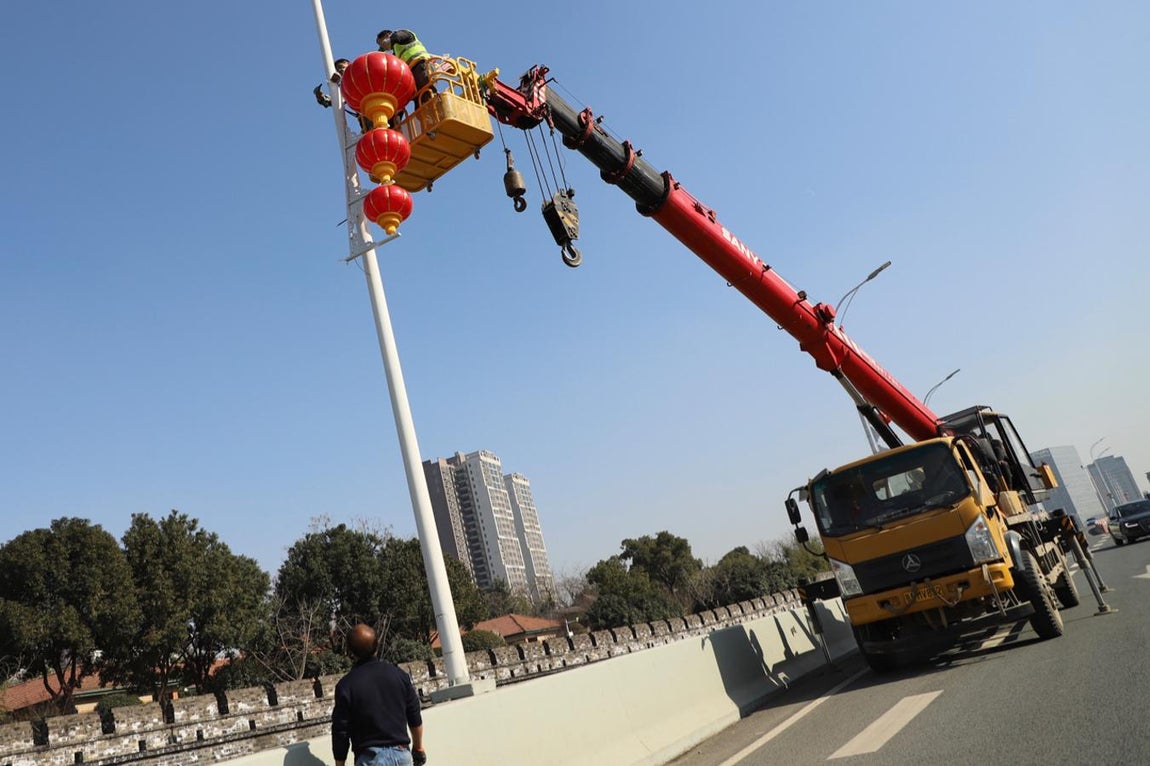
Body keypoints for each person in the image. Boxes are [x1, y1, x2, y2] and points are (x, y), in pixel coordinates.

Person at [332, 624, 426, 766]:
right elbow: (414, 715)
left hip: (370, 759)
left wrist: (340, 764)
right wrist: (418, 747)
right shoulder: (399, 675)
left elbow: (341, 732)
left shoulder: (346, 686)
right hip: (402, 756)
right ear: (377, 645)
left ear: (350, 652)